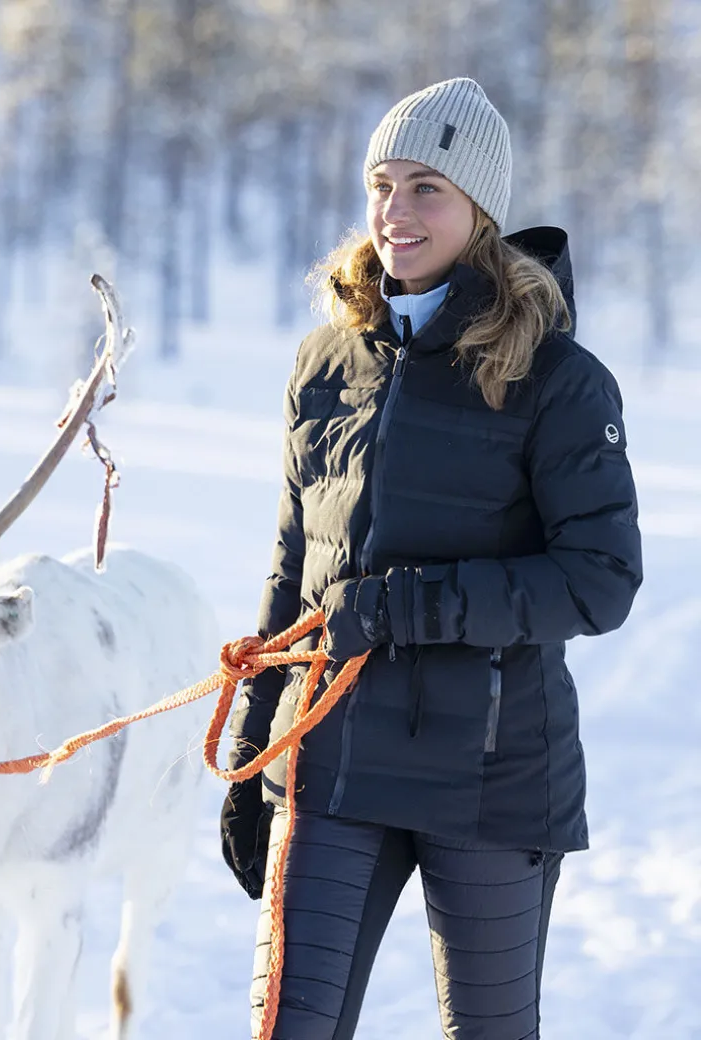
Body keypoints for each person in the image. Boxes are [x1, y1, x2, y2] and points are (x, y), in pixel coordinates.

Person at [220, 77, 643, 1040]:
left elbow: (600, 579)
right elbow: (294, 567)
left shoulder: (559, 378)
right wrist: (255, 753)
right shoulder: (328, 361)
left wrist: (407, 609)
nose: (395, 214)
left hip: (492, 781)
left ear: (479, 211)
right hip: (328, 759)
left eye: (428, 189)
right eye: (382, 184)